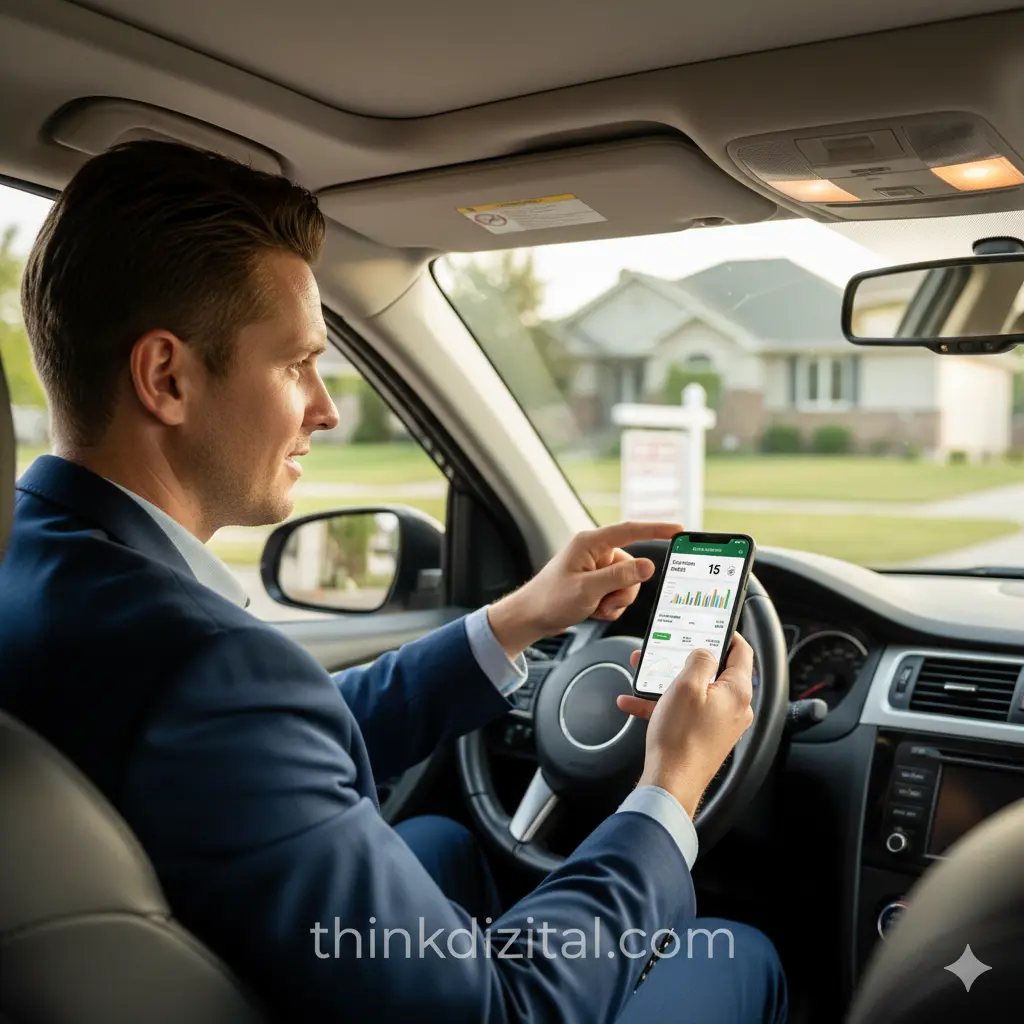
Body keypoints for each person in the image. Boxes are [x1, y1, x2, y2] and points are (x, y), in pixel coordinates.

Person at [0, 141, 786, 1023]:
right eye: (298, 363)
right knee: (746, 957)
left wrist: (517, 619)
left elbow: (275, 747)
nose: (326, 407)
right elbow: (506, 1009)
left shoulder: (31, 560)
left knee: (444, 845)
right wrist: (671, 786)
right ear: (167, 377)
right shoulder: (202, 668)